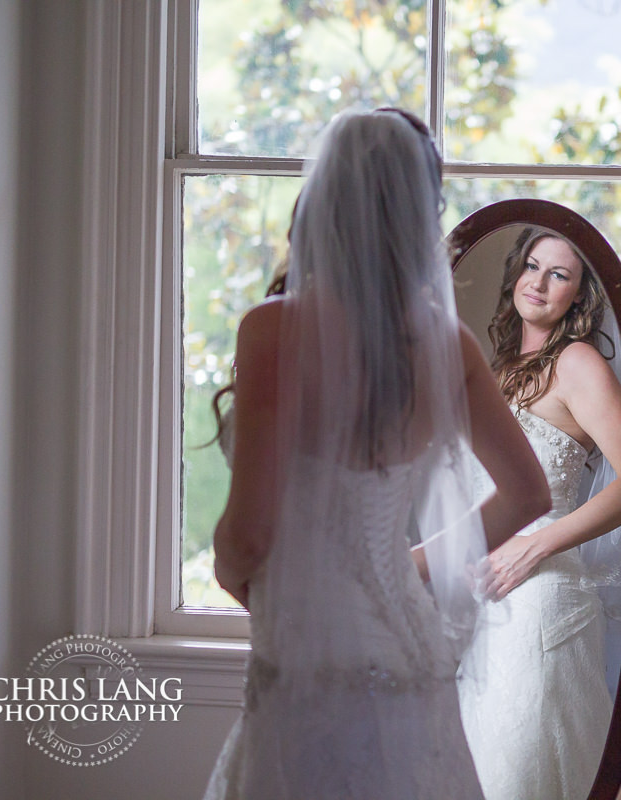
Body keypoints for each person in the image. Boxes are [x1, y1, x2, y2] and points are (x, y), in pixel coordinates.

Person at [203, 108, 551, 800]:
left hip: (309, 656)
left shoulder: (274, 330)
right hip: (408, 652)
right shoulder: (449, 344)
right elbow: (528, 494)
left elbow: (247, 537)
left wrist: (242, 578)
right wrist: (406, 567)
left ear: (323, 201)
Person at [458, 227, 621, 800]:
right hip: (489, 603)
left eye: (559, 274)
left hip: (542, 603)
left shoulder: (578, 362)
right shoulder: (503, 364)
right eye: (532, 266)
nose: (538, 282)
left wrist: (535, 545)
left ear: (579, 296)